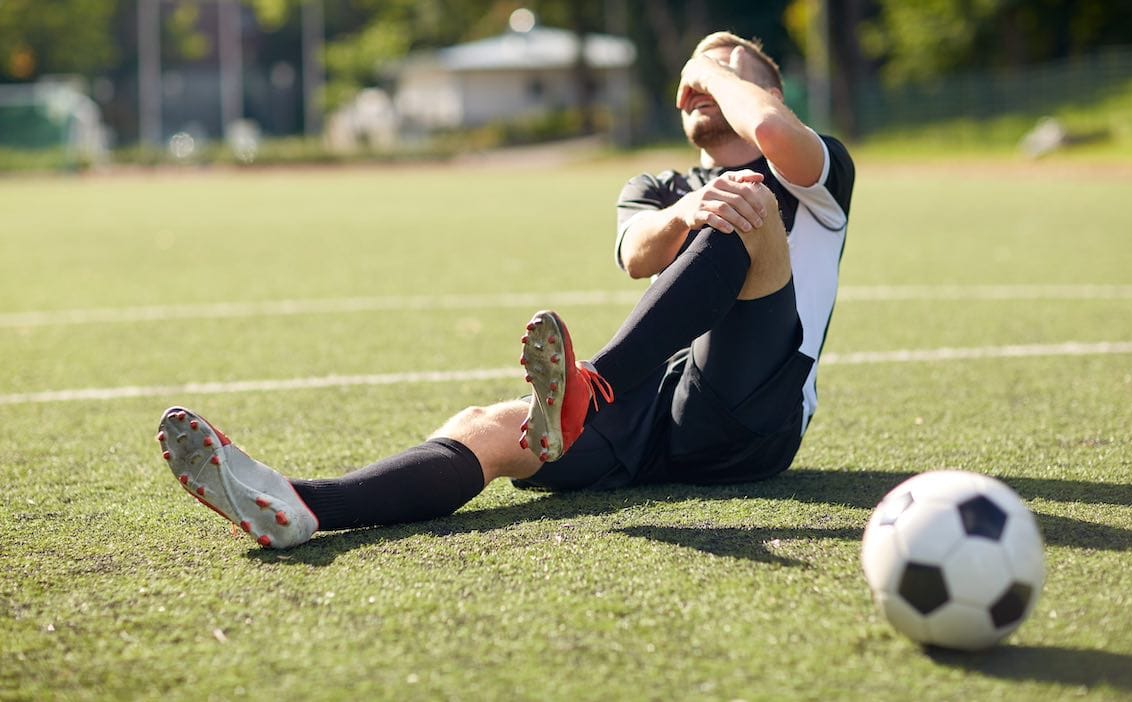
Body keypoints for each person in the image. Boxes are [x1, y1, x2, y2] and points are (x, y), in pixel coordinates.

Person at [155, 31, 855, 549]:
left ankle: (590, 388)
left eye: (724, 74)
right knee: (486, 426)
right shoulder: (654, 187)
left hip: (755, 417)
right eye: (692, 79)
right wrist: (684, 210)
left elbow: (769, 129)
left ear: (768, 93)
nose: (700, 83)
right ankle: (301, 505)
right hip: (654, 412)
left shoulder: (815, 174)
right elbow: (638, 255)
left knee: (746, 202)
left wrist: (711, 68)